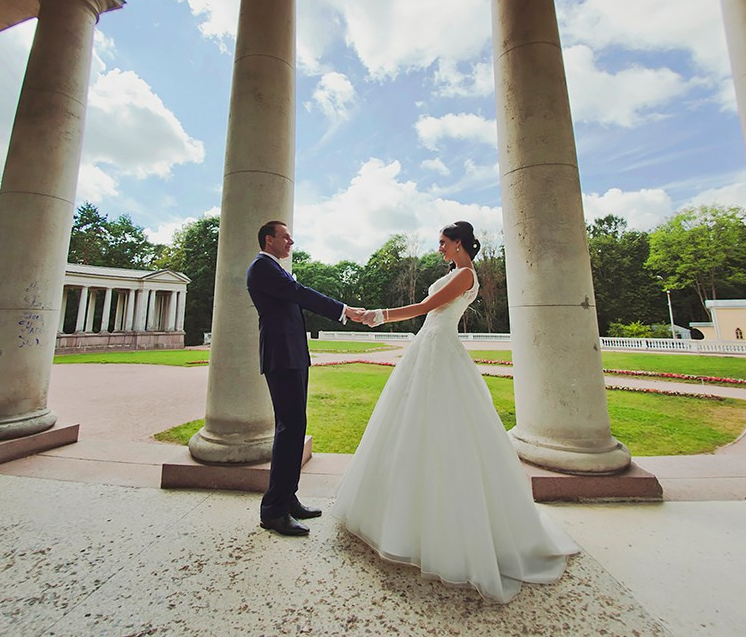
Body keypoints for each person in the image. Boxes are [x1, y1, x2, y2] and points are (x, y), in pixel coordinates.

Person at [335, 221, 579, 602]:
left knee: (446, 431)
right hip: (427, 347)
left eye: (443, 242)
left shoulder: (465, 275)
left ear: (461, 243)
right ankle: (400, 519)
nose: (440, 248)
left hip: (440, 347)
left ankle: (447, 532)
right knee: (410, 427)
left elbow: (426, 307)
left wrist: (378, 315)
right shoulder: (455, 272)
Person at [247, 220, 366, 537]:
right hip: (281, 358)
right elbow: (299, 294)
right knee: (290, 428)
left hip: (292, 356)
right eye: (285, 237)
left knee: (295, 427)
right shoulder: (262, 268)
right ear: (269, 239)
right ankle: (273, 510)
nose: (291, 241)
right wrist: (344, 310)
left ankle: (287, 499)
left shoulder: (276, 269)